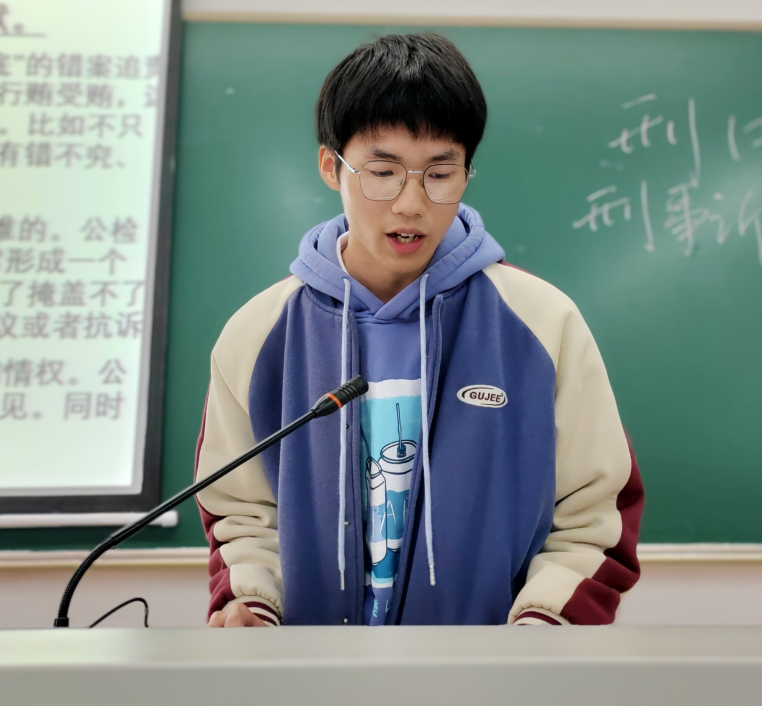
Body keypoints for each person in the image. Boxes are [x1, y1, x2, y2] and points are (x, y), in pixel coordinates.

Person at [196, 33, 644, 628]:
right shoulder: (258, 334)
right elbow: (241, 513)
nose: (411, 203)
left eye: (440, 173)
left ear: (466, 172)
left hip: (494, 669)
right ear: (331, 166)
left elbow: (595, 515)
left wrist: (542, 627)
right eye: (383, 172)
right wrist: (254, 601)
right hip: (309, 666)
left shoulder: (542, 323)